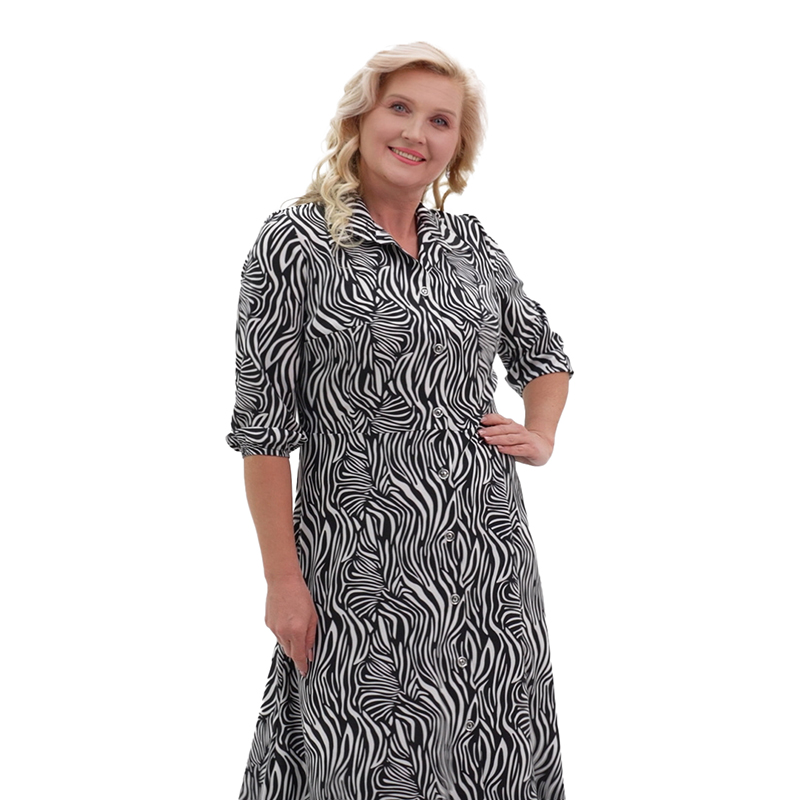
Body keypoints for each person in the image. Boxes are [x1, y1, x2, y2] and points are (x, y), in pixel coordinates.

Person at [226, 41, 573, 800]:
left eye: (441, 120)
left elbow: (544, 354)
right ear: (360, 119)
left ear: (457, 146)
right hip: (359, 564)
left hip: (486, 558)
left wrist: (541, 434)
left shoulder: (470, 246)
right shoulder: (294, 243)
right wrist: (282, 580)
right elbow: (262, 432)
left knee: (491, 748)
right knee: (362, 755)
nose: (417, 132)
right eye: (401, 108)